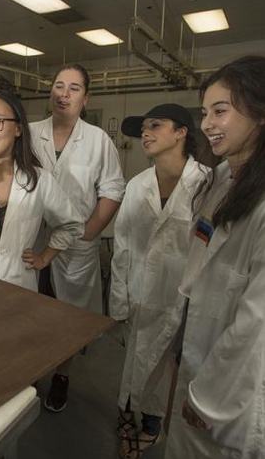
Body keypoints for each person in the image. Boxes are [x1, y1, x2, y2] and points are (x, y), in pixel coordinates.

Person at [162, 55, 265, 458]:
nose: (207, 124)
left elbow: (256, 327)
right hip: (197, 352)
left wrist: (209, 397)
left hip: (231, 393)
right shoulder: (222, 179)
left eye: (220, 111)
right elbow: (199, 267)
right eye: (205, 112)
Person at [109, 104, 208, 458]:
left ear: (181, 132)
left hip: (177, 300)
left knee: (164, 369)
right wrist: (118, 300)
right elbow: (121, 246)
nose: (145, 134)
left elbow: (208, 253)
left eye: (155, 126)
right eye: (143, 128)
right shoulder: (137, 185)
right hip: (138, 293)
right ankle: (127, 416)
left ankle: (151, 427)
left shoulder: (206, 185)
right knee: (133, 362)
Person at [30, 63, 125, 412]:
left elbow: (113, 188)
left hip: (74, 247)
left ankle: (61, 375)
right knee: (27, 311)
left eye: (73, 88)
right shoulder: (28, 133)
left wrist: (88, 234)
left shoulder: (98, 140)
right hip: (31, 242)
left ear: (86, 98)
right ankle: (27, 371)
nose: (63, 94)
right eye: (58, 86)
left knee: (66, 318)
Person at [0, 89, 83, 290]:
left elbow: (72, 225)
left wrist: (44, 258)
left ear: (18, 128)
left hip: (19, 287)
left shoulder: (40, 181)